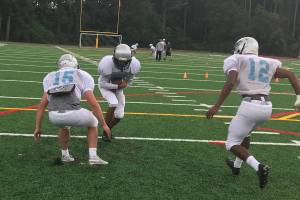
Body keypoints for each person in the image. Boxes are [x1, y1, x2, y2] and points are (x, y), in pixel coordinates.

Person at [206, 37, 300, 188]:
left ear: (243, 47)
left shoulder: (236, 58)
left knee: (231, 143)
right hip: (267, 107)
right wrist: (299, 98)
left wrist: (216, 106)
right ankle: (236, 166)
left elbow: (231, 81)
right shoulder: (268, 61)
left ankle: (259, 167)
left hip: (250, 105)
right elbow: (291, 75)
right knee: (246, 133)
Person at [34, 54, 111, 165]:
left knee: (64, 125)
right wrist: (104, 124)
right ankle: (93, 157)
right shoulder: (81, 74)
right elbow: (93, 103)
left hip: (54, 116)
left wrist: (38, 127)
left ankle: (65, 155)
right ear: (75, 64)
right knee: (93, 121)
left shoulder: (50, 76)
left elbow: (41, 106)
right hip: (73, 112)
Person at [98, 44, 141, 141]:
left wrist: (125, 83)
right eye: (119, 62)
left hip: (118, 88)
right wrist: (117, 85)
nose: (122, 64)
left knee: (119, 115)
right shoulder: (106, 64)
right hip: (106, 86)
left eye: (124, 62)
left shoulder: (134, 64)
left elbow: (129, 80)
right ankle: (106, 130)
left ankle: (107, 131)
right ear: (114, 58)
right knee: (113, 103)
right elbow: (102, 84)